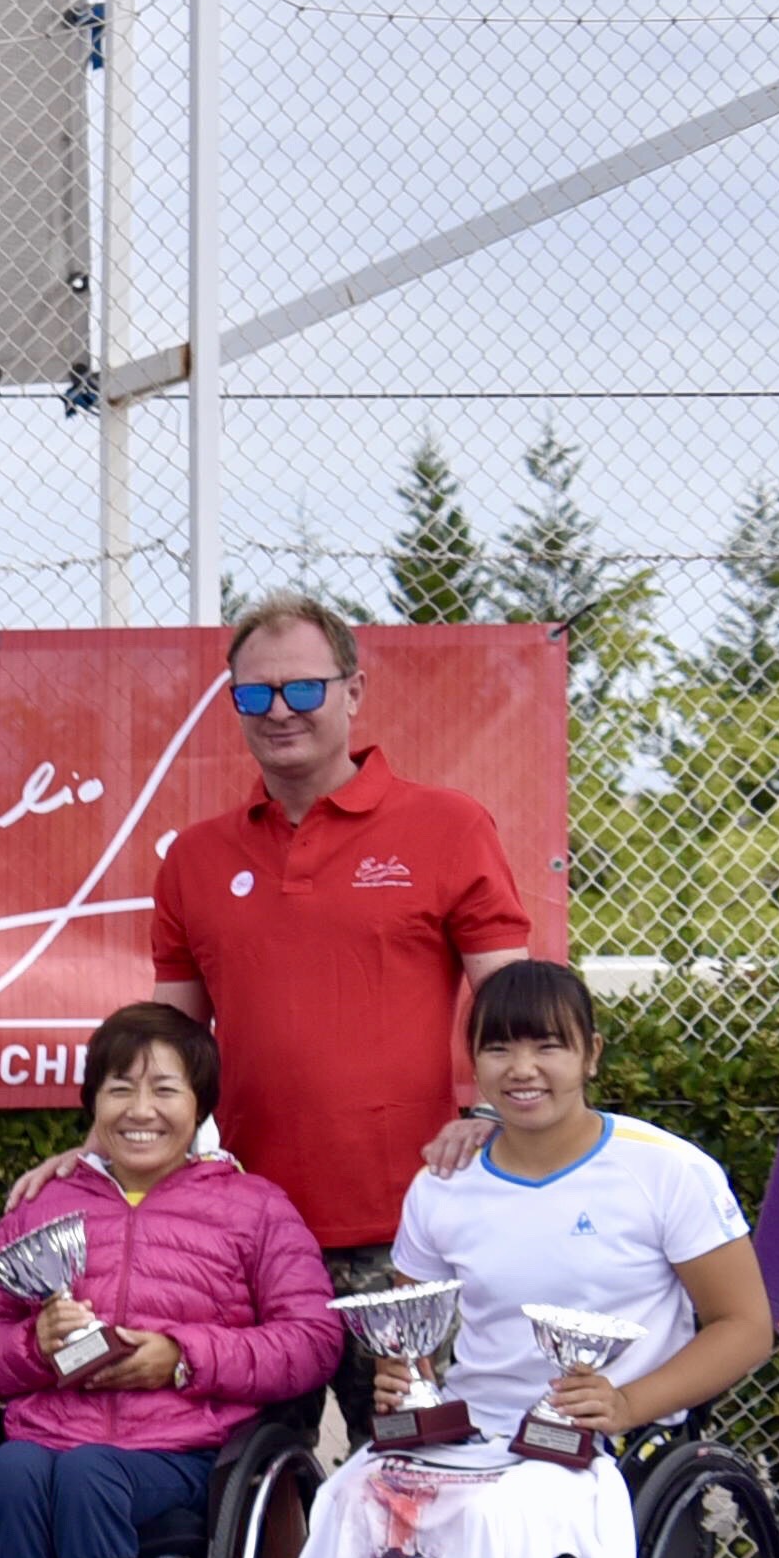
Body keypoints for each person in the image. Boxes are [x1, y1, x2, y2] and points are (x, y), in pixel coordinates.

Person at [293, 957, 776, 1558]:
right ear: (473, 1066)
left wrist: (627, 1405)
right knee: (354, 1497)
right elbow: (416, 1327)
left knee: (487, 1521)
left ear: (590, 1054)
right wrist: (407, 1376)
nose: (525, 1068)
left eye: (549, 1045)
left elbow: (744, 1325)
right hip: (471, 1428)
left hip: (598, 1445)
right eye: (501, 1048)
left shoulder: (666, 1172)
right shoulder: (445, 1183)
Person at [141, 593, 544, 1403]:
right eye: (255, 695)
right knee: (253, 1482)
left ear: (354, 692)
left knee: (412, 1476)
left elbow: (519, 1009)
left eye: (304, 689)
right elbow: (166, 1050)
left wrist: (493, 1120)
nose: (280, 711)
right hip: (251, 1235)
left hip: (408, 1237)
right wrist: (97, 1158)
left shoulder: (449, 826)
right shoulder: (194, 857)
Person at [0, 1001, 338, 1558]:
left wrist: (182, 1355)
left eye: (165, 1090)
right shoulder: (43, 1205)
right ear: (92, 1104)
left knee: (89, 1473)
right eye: (120, 1089)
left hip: (183, 1455)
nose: (141, 1110)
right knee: (12, 1470)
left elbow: (312, 1340)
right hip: (51, 1436)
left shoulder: (255, 1208)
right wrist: (34, 1345)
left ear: (200, 1107)